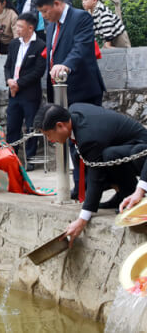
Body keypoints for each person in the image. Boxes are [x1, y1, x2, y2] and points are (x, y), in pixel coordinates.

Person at [36, 103, 147, 246]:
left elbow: (96, 178)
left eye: (48, 135)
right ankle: (123, 195)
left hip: (141, 152)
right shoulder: (74, 113)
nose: (50, 140)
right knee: (99, 159)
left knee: (103, 163)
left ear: (60, 126)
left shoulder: (89, 137)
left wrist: (82, 220)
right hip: (121, 148)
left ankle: (133, 194)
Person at [36, 0, 105, 106]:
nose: (43, 15)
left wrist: (66, 66)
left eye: (45, 11)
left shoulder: (81, 17)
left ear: (57, 3)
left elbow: (81, 47)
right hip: (59, 92)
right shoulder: (51, 25)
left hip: (82, 91)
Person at [4, 12, 46, 169]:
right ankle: (11, 157)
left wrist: (18, 83)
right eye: (16, 26)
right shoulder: (14, 44)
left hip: (29, 93)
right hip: (13, 92)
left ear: (30, 27)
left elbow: (38, 72)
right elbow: (8, 66)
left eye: (20, 26)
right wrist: (9, 81)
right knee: (12, 126)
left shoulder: (40, 45)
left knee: (30, 126)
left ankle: (30, 159)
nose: (17, 29)